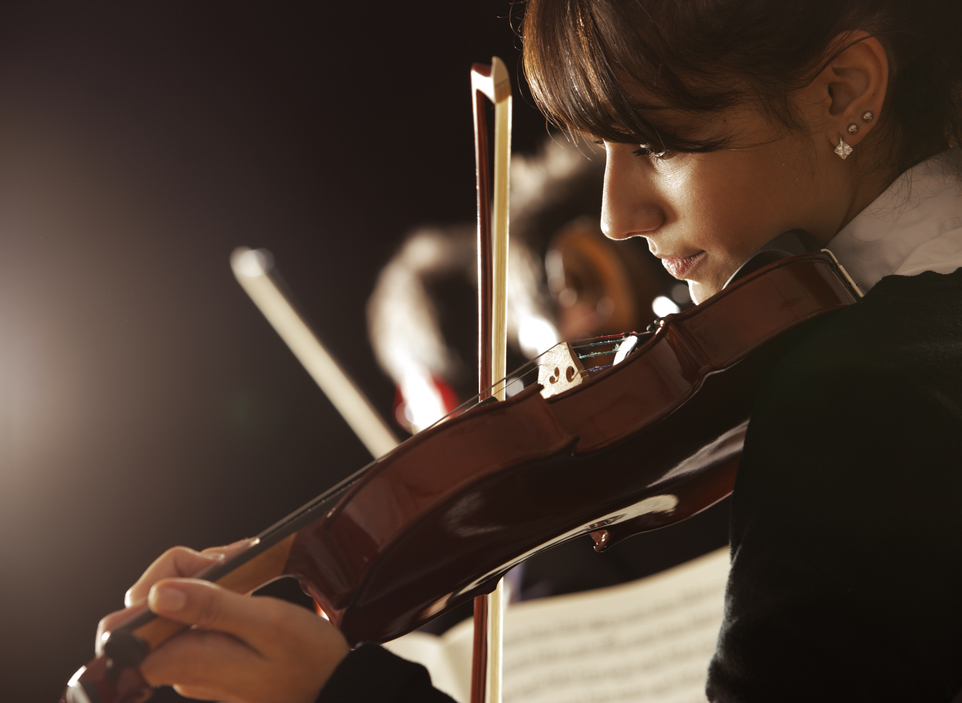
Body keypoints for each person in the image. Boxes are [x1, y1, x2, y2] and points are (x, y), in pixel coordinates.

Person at [95, 0, 962, 701]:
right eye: (605, 152)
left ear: (845, 89)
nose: (620, 213)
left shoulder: (859, 397)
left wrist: (341, 693)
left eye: (654, 144)